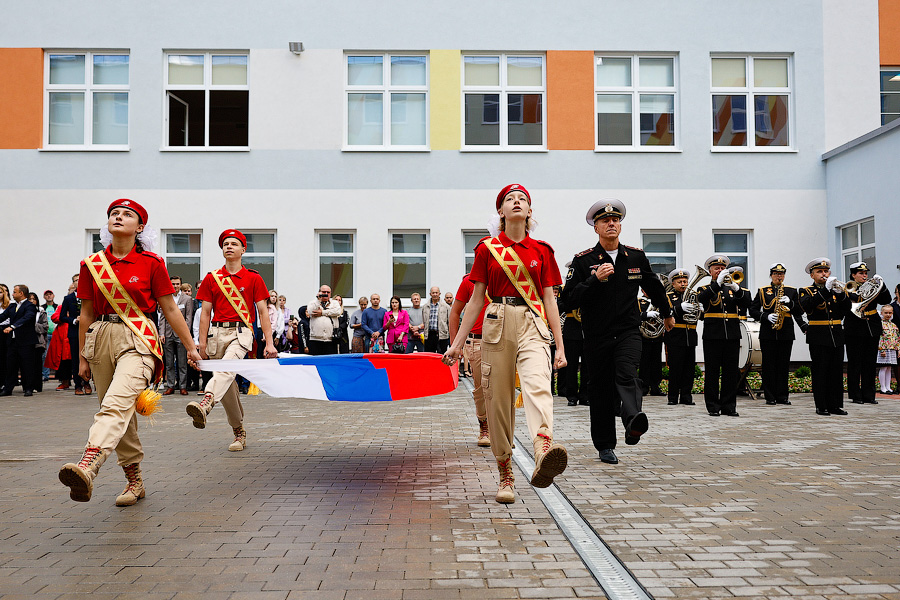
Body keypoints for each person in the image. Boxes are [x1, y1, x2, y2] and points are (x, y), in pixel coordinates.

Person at [58, 198, 201, 506]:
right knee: (121, 413)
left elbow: (171, 309)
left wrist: (191, 348)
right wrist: (82, 356)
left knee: (116, 401)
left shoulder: (152, 263)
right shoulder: (91, 265)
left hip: (140, 339)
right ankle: (134, 481)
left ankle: (89, 464)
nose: (118, 217)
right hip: (101, 338)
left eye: (126, 214)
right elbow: (85, 314)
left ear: (140, 228)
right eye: (114, 213)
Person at [444, 183, 568, 504]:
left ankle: (543, 447)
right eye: (509, 200)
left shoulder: (542, 250)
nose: (516, 202)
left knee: (538, 383)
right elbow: (474, 300)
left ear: (529, 212)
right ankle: (506, 472)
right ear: (501, 211)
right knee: (498, 399)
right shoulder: (487, 249)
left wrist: (561, 346)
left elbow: (549, 300)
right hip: (497, 320)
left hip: (532, 321)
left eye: (522, 200)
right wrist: (457, 343)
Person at [561, 199, 673, 466]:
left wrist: (668, 314)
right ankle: (605, 446)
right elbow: (567, 301)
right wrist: (593, 279)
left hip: (627, 331)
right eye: (605, 221)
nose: (611, 224)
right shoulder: (583, 260)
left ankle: (633, 420)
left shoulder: (634, 256)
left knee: (627, 373)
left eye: (615, 220)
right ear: (596, 228)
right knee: (599, 390)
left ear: (620, 225)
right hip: (596, 336)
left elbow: (654, 286)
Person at [187, 229, 277, 451]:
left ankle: (206, 402)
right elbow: (205, 313)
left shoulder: (253, 278)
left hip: (241, 333)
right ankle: (239, 432)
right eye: (225, 243)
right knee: (227, 385)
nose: (229, 246)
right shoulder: (211, 278)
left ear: (243, 249)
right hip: (216, 334)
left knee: (225, 370)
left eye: (234, 244)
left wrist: (269, 342)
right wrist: (202, 345)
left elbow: (263, 312)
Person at [696, 255, 750, 417]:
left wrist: (736, 288)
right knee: (712, 372)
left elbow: (747, 303)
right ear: (710, 271)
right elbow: (701, 299)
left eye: (722, 268)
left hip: (732, 335)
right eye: (716, 268)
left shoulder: (734, 288)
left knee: (731, 372)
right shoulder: (705, 289)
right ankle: (712, 406)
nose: (720, 271)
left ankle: (729, 406)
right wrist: (717, 285)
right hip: (713, 335)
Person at [749, 263, 808, 405]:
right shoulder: (763, 291)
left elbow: (800, 311)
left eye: (781, 274)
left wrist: (791, 303)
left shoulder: (791, 291)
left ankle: (782, 396)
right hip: (768, 332)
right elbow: (753, 310)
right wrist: (765, 317)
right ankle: (770, 396)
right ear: (771, 275)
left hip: (785, 331)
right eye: (776, 274)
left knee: (783, 365)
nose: (779, 277)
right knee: (768, 365)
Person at [799, 257, 850, 416]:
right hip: (818, 334)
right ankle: (821, 405)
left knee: (836, 371)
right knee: (821, 371)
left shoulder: (836, 289)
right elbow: (807, 306)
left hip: (836, 333)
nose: (824, 274)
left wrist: (841, 295)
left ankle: (835, 405)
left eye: (826, 271)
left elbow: (847, 309)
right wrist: (825, 290)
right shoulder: (805, 291)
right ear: (812, 275)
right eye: (819, 272)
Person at [450, 272, 491, 446]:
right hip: (477, 341)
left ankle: (504, 430)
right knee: (481, 387)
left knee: (504, 386)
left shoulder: (505, 276)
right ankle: (485, 426)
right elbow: (455, 312)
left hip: (503, 338)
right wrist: (455, 346)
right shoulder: (469, 281)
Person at [843, 262, 891, 405]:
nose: (864, 275)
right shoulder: (848, 288)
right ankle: (855, 394)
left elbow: (886, 300)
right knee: (855, 362)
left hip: (871, 325)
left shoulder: (873, 287)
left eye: (866, 273)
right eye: (861, 273)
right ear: (853, 275)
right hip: (854, 326)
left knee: (870, 362)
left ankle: (869, 395)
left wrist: (882, 286)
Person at [664, 268, 698, 406]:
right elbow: (664, 312)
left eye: (685, 281)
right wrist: (679, 308)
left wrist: (698, 309)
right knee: (675, 368)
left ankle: (686, 396)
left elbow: (697, 316)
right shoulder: (668, 296)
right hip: (675, 336)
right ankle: (672, 397)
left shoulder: (693, 295)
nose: (683, 284)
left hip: (690, 335)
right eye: (680, 282)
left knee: (689, 369)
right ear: (673, 283)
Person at [0, 284, 39, 396]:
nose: (12, 294)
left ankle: (28, 388)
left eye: (14, 292)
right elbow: (3, 317)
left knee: (27, 365)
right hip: (13, 342)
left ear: (21, 293)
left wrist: (13, 326)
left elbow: (27, 318)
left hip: (26, 342)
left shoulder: (29, 306)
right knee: (11, 365)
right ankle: (8, 389)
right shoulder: (12, 307)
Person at [159, 275, 194, 396]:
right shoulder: (166, 297)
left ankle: (183, 386)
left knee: (182, 362)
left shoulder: (187, 299)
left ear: (180, 284)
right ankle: (170, 386)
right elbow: (162, 318)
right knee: (169, 363)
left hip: (181, 335)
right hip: (168, 334)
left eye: (177, 284)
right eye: (173, 284)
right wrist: (161, 333)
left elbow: (189, 318)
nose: (175, 286)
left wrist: (186, 334)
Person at [59, 275, 91, 395]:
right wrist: (74, 320)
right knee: (76, 359)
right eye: (76, 281)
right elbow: (62, 316)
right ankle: (78, 385)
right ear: (73, 284)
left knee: (88, 357)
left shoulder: (90, 296)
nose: (79, 282)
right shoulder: (68, 298)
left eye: (81, 280)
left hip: (89, 332)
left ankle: (87, 382)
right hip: (74, 331)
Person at [637, 293, 664, 397]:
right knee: (644, 361)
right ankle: (643, 387)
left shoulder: (659, 300)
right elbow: (635, 315)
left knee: (656, 362)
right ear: (643, 290)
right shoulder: (639, 301)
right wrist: (645, 315)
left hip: (657, 335)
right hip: (644, 335)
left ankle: (655, 387)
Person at [306, 285, 342, 355]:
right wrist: (318, 300)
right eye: (323, 292)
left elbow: (337, 311)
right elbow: (311, 311)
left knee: (330, 362)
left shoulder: (335, 303)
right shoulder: (313, 303)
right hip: (315, 339)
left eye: (328, 292)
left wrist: (322, 312)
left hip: (331, 339)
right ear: (319, 292)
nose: (326, 294)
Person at [28, 292, 49, 392]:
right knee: (28, 365)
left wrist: (34, 325)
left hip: (38, 341)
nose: (32, 301)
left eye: (34, 299)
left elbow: (45, 327)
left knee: (37, 364)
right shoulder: (24, 311)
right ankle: (28, 385)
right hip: (26, 341)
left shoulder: (41, 311)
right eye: (30, 299)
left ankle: (37, 386)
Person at [877, 304, 898, 394]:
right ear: (882, 313)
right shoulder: (880, 324)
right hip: (884, 349)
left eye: (890, 313)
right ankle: (883, 387)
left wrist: (898, 348)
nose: (888, 315)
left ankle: (888, 387)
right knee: (884, 367)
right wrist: (881, 349)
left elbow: (897, 337)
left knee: (889, 368)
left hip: (892, 348)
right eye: (886, 313)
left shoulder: (893, 325)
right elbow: (880, 337)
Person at [423, 286, 450, 353]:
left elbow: (449, 322)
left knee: (441, 356)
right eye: (433, 293)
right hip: (429, 335)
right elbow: (424, 321)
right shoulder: (425, 307)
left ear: (439, 294)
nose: (435, 294)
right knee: (429, 356)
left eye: (436, 293)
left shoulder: (446, 307)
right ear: (430, 294)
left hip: (441, 335)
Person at [42, 290, 58, 382]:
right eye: (46, 295)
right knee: (45, 355)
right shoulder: (42, 308)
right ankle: (45, 374)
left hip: (56, 333)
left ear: (53, 295)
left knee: (56, 354)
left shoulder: (58, 307)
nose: (49, 296)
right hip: (46, 334)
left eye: (50, 294)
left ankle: (58, 374)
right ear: (44, 297)